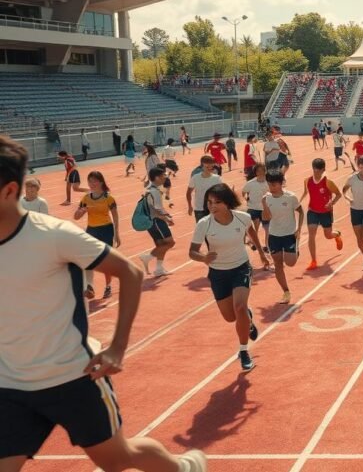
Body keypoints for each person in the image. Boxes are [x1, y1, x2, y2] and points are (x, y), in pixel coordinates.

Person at [0, 136, 209, 472]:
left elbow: (129, 271)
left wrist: (117, 348)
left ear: (10, 190)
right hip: (10, 384)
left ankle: (184, 468)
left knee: (117, 459)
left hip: (71, 377)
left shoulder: (52, 236)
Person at [190, 184, 269, 372]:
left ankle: (243, 351)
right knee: (230, 317)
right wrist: (203, 258)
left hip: (241, 267)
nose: (212, 206)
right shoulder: (204, 224)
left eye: (217, 202)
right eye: (209, 202)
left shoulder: (243, 218)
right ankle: (247, 320)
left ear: (227, 203)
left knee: (239, 306)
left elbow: (253, 234)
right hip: (218, 273)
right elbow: (192, 252)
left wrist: (262, 254)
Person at [73, 171, 120, 300]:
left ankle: (108, 286)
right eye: (89, 181)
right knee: (88, 259)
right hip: (91, 230)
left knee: (105, 261)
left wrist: (117, 234)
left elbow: (115, 216)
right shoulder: (86, 198)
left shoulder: (109, 198)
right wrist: (81, 211)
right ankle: (90, 286)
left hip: (106, 230)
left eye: (95, 181)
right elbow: (76, 217)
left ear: (101, 182)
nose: (92, 184)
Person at [262, 170, 302, 304]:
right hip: (274, 235)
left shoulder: (291, 197)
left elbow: (301, 212)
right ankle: (286, 291)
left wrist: (299, 230)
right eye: (269, 184)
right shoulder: (267, 198)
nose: (271, 187)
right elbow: (267, 218)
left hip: (289, 234)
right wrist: (263, 204)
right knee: (278, 264)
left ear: (281, 184)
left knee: (290, 262)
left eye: (274, 184)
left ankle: (295, 250)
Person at [299, 159, 344, 271]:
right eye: (314, 170)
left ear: (323, 169)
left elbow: (338, 194)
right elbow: (305, 193)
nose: (316, 172)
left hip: (325, 212)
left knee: (328, 235)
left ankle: (337, 235)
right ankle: (313, 260)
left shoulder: (328, 182)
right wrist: (297, 203)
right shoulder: (307, 181)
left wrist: (331, 203)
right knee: (311, 235)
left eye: (319, 170)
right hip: (312, 211)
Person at [139, 167, 175, 278]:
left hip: (150, 221)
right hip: (156, 221)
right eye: (163, 175)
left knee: (161, 245)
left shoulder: (149, 189)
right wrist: (167, 218)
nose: (165, 177)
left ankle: (159, 269)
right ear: (156, 177)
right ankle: (148, 257)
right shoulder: (154, 191)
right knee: (170, 243)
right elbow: (157, 209)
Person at [186, 156, 223, 223]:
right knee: (202, 230)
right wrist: (190, 206)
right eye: (207, 167)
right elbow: (188, 192)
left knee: (215, 230)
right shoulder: (195, 178)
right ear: (202, 166)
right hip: (199, 209)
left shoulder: (217, 178)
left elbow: (221, 193)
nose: (210, 168)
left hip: (213, 208)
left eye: (211, 166)